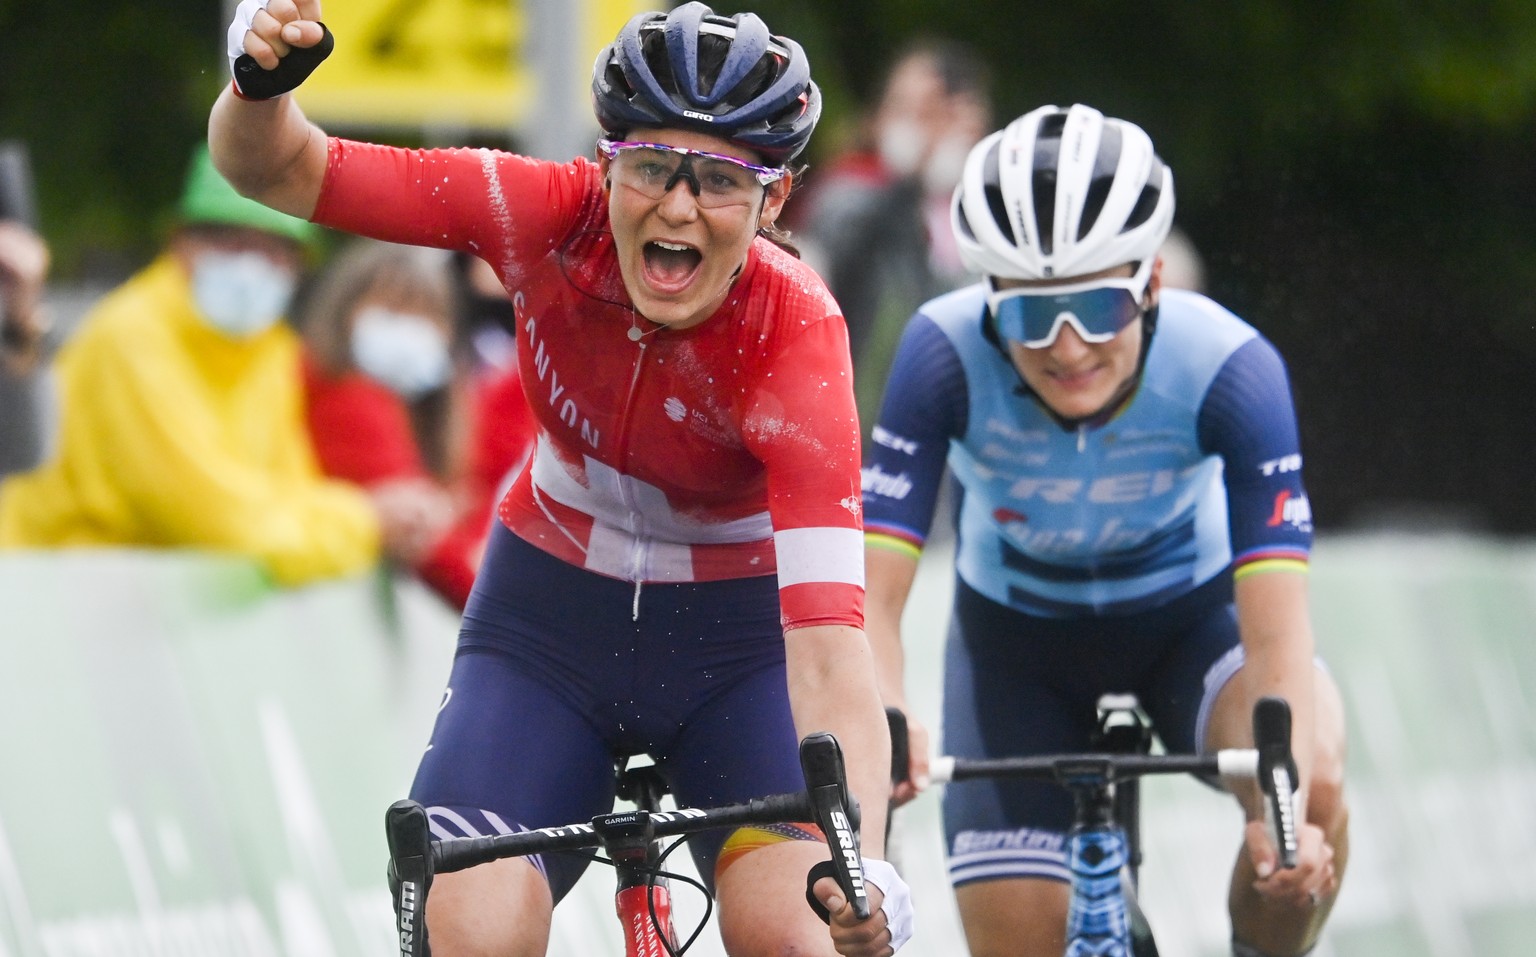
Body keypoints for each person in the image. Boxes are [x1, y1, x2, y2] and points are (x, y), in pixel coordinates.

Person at [213, 3, 910, 956]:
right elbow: (278, 168)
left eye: (718, 181)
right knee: (467, 930)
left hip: (736, 653)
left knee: (807, 935)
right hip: (548, 631)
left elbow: (832, 647)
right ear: (606, 161)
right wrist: (260, 87)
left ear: (775, 200)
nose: (676, 206)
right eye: (652, 168)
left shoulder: (796, 333)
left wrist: (863, 867)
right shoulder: (544, 213)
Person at [862, 104, 1348, 957]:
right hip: (1015, 648)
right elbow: (868, 598)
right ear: (987, 301)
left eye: (1097, 304)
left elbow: (1278, 626)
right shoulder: (939, 353)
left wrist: (1281, 812)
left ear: (1154, 282)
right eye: (1029, 316)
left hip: (1189, 628)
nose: (1068, 345)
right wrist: (887, 712)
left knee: (1306, 797)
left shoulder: (1233, 369)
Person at [0, 143, 421, 587]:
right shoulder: (131, 337)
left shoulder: (271, 350)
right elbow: (205, 515)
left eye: (276, 250)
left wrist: (358, 520)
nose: (252, 266)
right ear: (180, 241)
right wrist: (366, 521)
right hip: (47, 603)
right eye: (232, 242)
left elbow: (287, 492)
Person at [298, 236, 535, 609]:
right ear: (343, 309)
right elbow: (425, 538)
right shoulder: (345, 393)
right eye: (391, 310)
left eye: (428, 316)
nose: (409, 331)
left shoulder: (430, 419)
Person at [790, 38, 992, 430]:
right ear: (877, 116)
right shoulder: (849, 191)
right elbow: (827, 270)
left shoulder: (984, 216)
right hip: (855, 431)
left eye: (941, 113)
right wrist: (906, 183)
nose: (928, 128)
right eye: (909, 110)